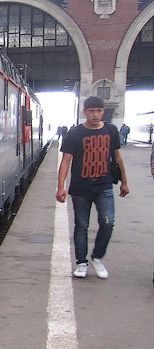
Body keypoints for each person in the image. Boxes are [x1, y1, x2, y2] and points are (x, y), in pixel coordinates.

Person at [56, 96, 129, 279]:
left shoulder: (111, 131)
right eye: (91, 111)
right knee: (81, 226)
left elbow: (117, 157)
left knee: (107, 222)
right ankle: (81, 263)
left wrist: (124, 182)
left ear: (103, 111)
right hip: (80, 189)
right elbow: (65, 161)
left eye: (99, 111)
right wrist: (61, 186)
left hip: (104, 187)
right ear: (85, 112)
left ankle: (97, 257)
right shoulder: (75, 134)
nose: (95, 114)